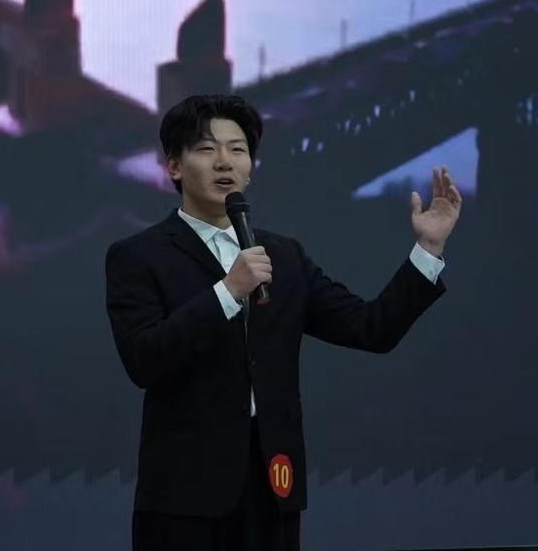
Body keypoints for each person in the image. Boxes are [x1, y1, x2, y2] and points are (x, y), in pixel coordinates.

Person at [105, 94, 462, 550]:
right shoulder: (138, 256)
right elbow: (144, 359)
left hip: (273, 484)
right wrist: (228, 291)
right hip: (184, 493)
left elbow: (372, 328)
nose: (224, 162)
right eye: (206, 149)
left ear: (251, 167)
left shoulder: (284, 255)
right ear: (174, 166)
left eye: (238, 150)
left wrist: (427, 251)